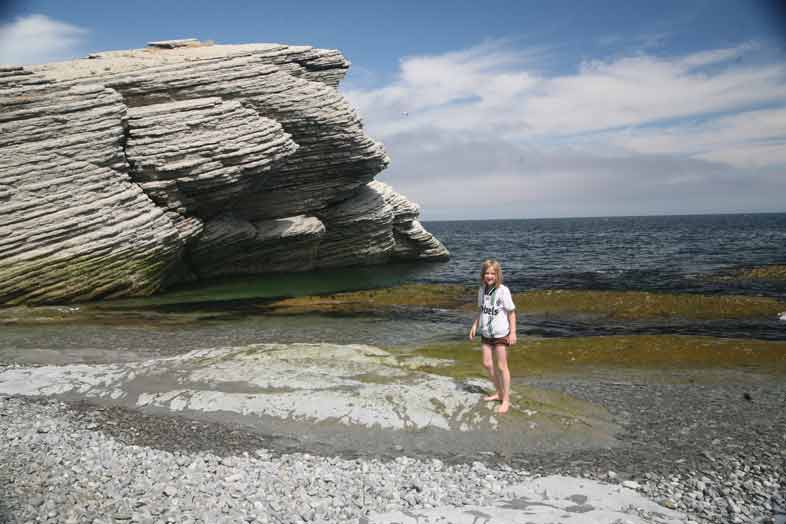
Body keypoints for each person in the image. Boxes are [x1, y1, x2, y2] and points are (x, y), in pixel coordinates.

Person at [468, 259, 517, 414]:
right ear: (483, 275)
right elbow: (481, 310)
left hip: (501, 334)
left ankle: (506, 400)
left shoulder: (503, 291)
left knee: (502, 367)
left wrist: (513, 332)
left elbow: (511, 312)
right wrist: (474, 325)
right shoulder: (481, 290)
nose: (489, 276)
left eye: (492, 273)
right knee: (487, 364)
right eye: (487, 273)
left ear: (497, 275)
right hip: (486, 333)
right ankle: (499, 392)